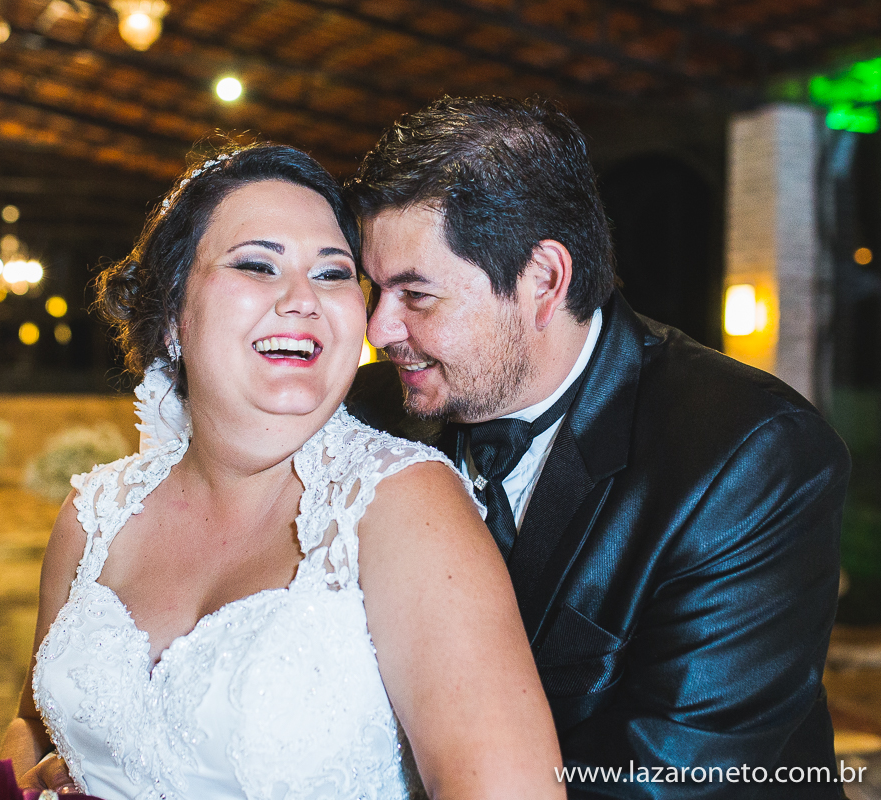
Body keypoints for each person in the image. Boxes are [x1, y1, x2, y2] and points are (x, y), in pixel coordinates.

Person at [0, 142, 565, 799]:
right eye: (258, 266)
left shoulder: (402, 506)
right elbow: (31, 725)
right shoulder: (93, 516)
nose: (302, 298)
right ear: (174, 316)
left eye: (332, 274)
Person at [344, 95, 852, 798]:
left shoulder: (748, 454)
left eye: (416, 295)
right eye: (374, 288)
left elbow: (659, 780)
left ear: (544, 281)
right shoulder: (362, 415)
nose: (379, 327)